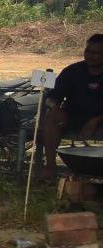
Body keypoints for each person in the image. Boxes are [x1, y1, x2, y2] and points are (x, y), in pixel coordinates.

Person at [40, 32, 103, 179]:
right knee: (51, 117)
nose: (90, 56)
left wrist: (95, 120)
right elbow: (51, 98)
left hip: (100, 121)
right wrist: (55, 107)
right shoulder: (73, 71)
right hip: (72, 118)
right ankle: (50, 167)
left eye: (96, 53)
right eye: (88, 51)